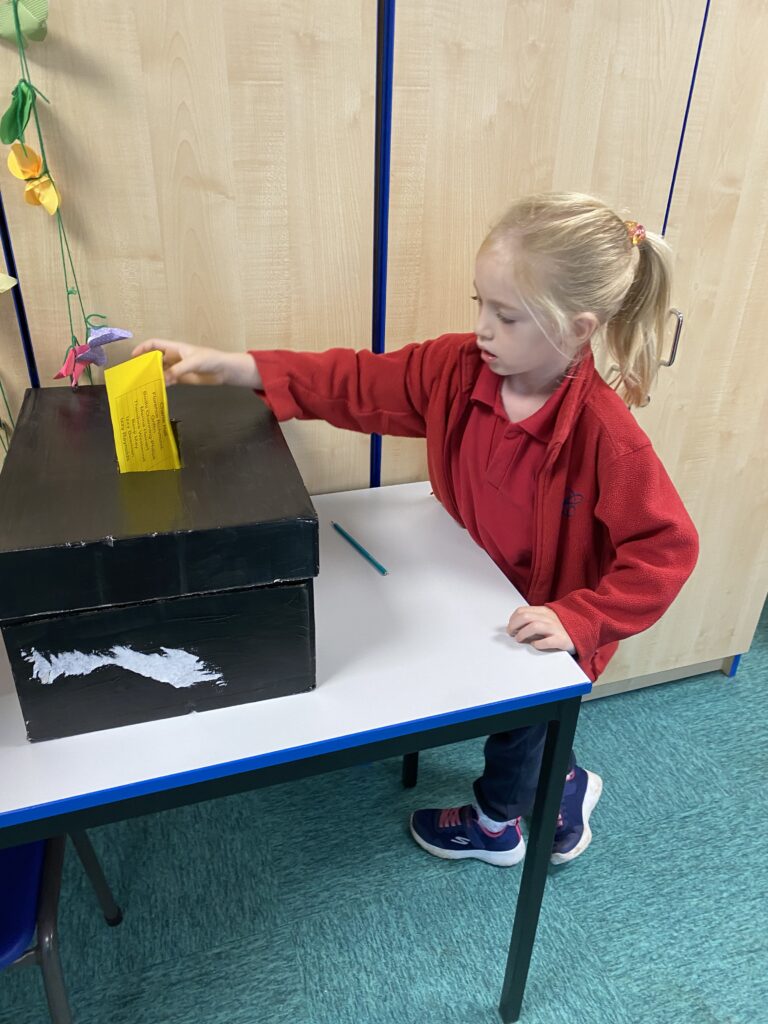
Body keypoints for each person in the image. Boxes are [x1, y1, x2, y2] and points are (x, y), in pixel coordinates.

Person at [133, 192, 699, 868]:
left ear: (577, 329)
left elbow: (666, 549)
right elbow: (359, 380)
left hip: (542, 618)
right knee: (534, 732)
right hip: (475, 582)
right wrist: (240, 366)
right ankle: (567, 785)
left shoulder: (607, 437)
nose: (484, 329)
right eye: (479, 305)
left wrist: (583, 619)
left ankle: (498, 826)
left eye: (507, 316)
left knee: (519, 726)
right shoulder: (458, 368)